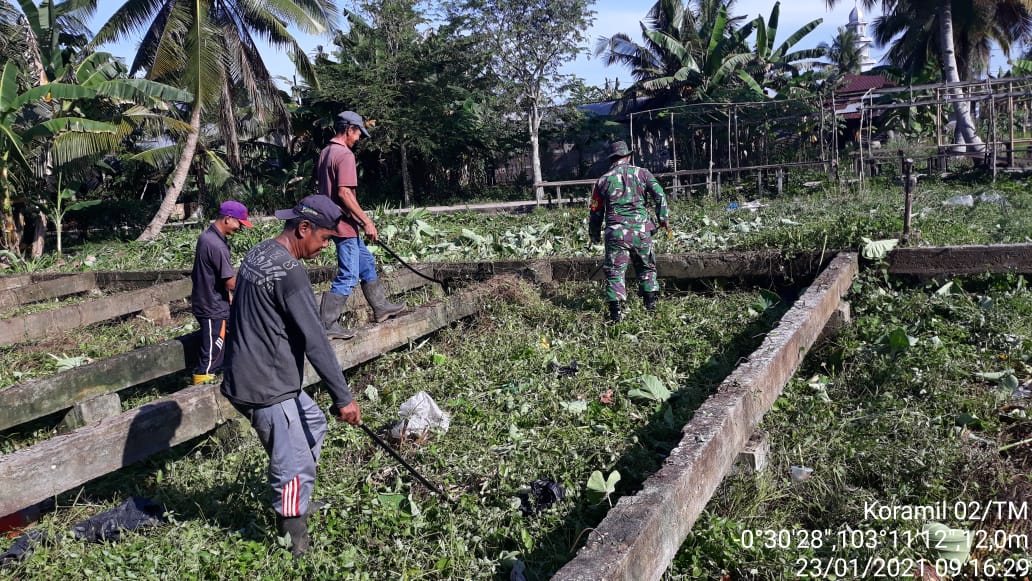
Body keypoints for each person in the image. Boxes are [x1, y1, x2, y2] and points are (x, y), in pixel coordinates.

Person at [220, 195, 362, 557]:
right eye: (325, 239)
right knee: (294, 466)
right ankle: (294, 544)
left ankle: (298, 497)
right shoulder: (291, 273)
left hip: (253, 372)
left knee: (313, 423)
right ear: (303, 228)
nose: (325, 247)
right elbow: (316, 341)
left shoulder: (260, 252)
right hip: (265, 386)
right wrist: (343, 399)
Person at [315, 110, 404, 340]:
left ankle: (381, 307)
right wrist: (367, 222)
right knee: (349, 275)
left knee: (366, 262)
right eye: (358, 134)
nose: (359, 139)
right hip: (344, 224)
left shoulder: (326, 152)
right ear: (349, 130)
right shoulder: (344, 155)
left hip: (335, 221)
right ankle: (327, 324)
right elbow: (344, 193)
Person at [588, 140, 670, 322]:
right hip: (641, 231)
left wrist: (594, 234)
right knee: (647, 267)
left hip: (616, 233)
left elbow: (595, 210)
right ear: (629, 156)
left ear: (612, 158)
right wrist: (662, 219)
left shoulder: (602, 180)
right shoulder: (643, 173)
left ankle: (616, 315)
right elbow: (660, 195)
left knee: (615, 272)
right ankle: (650, 308)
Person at [189, 200, 252, 385]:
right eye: (239, 223)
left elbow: (217, 277)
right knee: (211, 356)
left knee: (221, 345)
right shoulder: (215, 245)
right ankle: (200, 394)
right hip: (212, 306)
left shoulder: (209, 237)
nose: (240, 228)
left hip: (214, 301)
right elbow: (230, 282)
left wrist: (229, 297)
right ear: (228, 219)